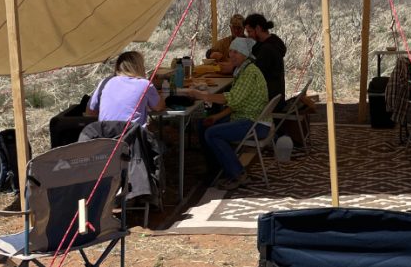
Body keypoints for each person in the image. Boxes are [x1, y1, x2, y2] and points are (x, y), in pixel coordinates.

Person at [185, 37, 270, 190]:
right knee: (203, 125)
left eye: (236, 52)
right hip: (248, 115)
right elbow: (237, 102)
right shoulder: (244, 69)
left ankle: (237, 174)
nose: (231, 54)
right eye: (230, 51)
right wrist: (216, 117)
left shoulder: (249, 72)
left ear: (245, 54)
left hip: (254, 123)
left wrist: (201, 95)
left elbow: (231, 99)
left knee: (212, 133)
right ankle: (216, 169)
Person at [87, 51, 165, 127]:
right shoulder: (144, 84)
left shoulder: (105, 82)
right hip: (131, 136)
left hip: (106, 136)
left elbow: (90, 111)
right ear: (139, 66)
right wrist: (161, 97)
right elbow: (158, 107)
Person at [244, 13, 286, 104]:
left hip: (268, 99)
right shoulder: (273, 42)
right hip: (276, 95)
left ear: (258, 28)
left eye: (249, 31)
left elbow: (254, 75)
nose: (248, 35)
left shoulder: (267, 49)